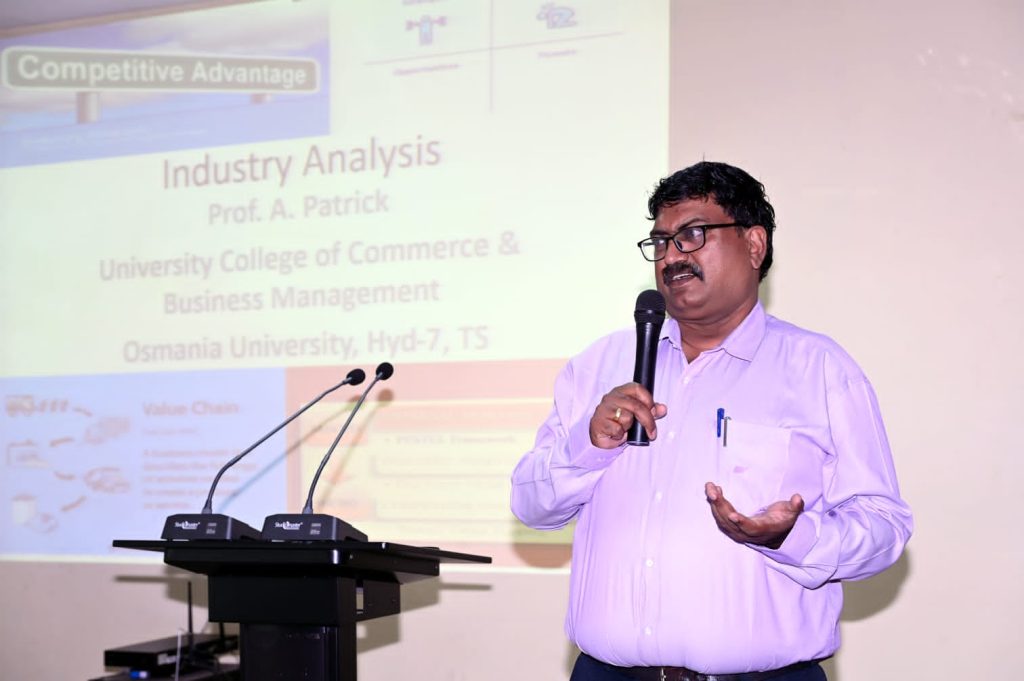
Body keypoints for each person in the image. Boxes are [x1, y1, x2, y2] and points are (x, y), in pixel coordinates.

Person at [510, 161, 913, 681]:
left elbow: (883, 526)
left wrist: (791, 537)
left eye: (693, 234)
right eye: (661, 241)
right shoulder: (598, 365)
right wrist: (587, 444)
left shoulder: (819, 370)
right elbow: (530, 506)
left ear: (754, 244)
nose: (672, 256)